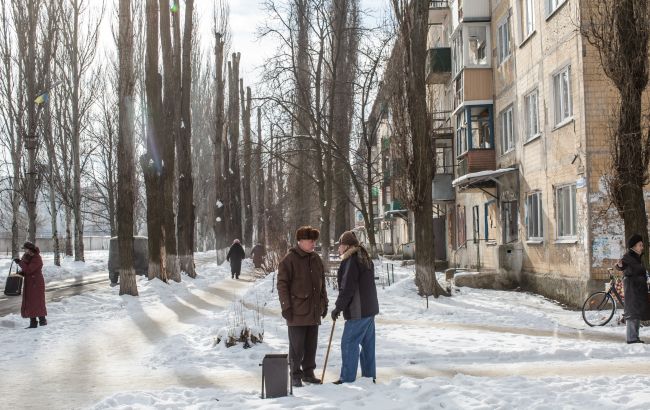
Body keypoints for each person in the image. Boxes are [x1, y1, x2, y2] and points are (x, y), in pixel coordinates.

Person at [277, 226, 328, 387]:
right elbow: (282, 285)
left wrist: (324, 303)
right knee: (297, 346)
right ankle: (295, 374)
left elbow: (322, 284)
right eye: (310, 241)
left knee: (311, 345)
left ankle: (308, 372)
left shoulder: (316, 259)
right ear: (301, 241)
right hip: (296, 312)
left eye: (314, 241)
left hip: (313, 311)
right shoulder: (289, 260)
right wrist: (286, 307)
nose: (313, 244)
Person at [331, 231, 379, 384]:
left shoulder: (351, 260)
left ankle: (347, 378)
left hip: (358, 311)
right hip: (369, 310)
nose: (338, 249)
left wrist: (338, 307)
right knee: (367, 346)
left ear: (346, 246)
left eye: (340, 245)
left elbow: (347, 288)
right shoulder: (364, 257)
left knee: (349, 343)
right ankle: (369, 378)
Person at [615, 233, 650, 344]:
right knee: (632, 314)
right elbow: (621, 265)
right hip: (632, 289)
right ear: (634, 246)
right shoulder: (628, 256)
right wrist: (619, 266)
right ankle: (631, 338)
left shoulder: (637, 257)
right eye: (640, 245)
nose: (642, 247)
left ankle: (635, 337)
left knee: (637, 313)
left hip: (638, 289)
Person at [14, 241, 47, 329]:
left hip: (36, 282)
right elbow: (27, 270)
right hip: (29, 282)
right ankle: (33, 322)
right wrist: (22, 273)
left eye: (25, 249)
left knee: (37, 302)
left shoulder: (37, 258)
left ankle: (42, 321)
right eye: (24, 249)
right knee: (30, 302)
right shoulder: (27, 257)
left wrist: (20, 263)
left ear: (30, 249)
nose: (24, 251)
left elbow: (29, 269)